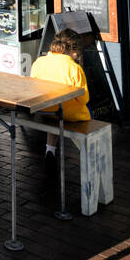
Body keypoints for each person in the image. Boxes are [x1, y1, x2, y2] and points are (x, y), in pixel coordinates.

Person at [30, 28, 90, 168]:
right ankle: (86, 152)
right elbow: (83, 99)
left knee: (56, 111)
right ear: (74, 51)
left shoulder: (39, 62)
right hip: (67, 114)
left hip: (44, 109)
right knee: (85, 112)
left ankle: (50, 149)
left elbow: (32, 87)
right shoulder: (74, 69)